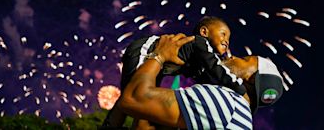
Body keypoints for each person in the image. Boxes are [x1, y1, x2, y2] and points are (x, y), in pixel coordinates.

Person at [102, 16, 247, 128]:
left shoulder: (199, 60)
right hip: (144, 51)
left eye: (228, 38)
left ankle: (112, 125)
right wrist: (238, 87)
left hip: (157, 67)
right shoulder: (200, 43)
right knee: (133, 97)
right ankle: (110, 126)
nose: (226, 41)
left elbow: (207, 79)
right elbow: (216, 69)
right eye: (223, 34)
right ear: (204, 32)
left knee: (143, 105)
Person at [119, 33, 284, 130]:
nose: (233, 56)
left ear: (252, 78)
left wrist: (159, 55)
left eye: (244, 59)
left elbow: (133, 99)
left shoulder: (227, 103)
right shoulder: (241, 120)